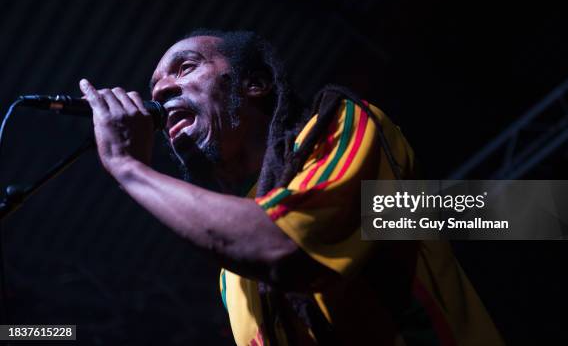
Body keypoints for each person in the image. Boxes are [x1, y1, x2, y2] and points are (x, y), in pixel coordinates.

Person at [79, 30, 503, 345]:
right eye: (156, 87)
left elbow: (288, 247)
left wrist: (127, 167)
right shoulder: (233, 275)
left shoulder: (339, 122)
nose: (163, 90)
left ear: (255, 84)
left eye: (185, 67)